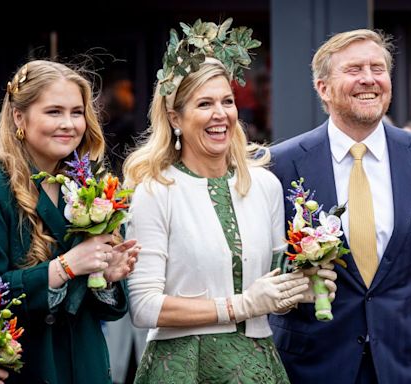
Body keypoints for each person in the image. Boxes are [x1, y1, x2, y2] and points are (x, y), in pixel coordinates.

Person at [123, 19, 321, 383]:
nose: (221, 114)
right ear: (174, 118)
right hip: (182, 366)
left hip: (257, 361)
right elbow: (144, 306)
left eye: (227, 101)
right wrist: (239, 305)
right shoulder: (155, 190)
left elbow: (272, 285)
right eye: (204, 103)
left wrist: (301, 289)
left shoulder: (264, 185)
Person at [268, 29, 411, 383]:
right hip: (313, 363)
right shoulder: (279, 165)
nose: (369, 79)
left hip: (409, 363)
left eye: (378, 68)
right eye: (354, 69)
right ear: (323, 87)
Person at [0, 60, 140, 383]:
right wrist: (64, 267)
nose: (69, 124)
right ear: (19, 117)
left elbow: (107, 311)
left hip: (86, 366)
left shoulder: (85, 187)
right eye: (54, 112)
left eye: (77, 112)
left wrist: (106, 276)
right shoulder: (0, 186)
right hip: (30, 367)